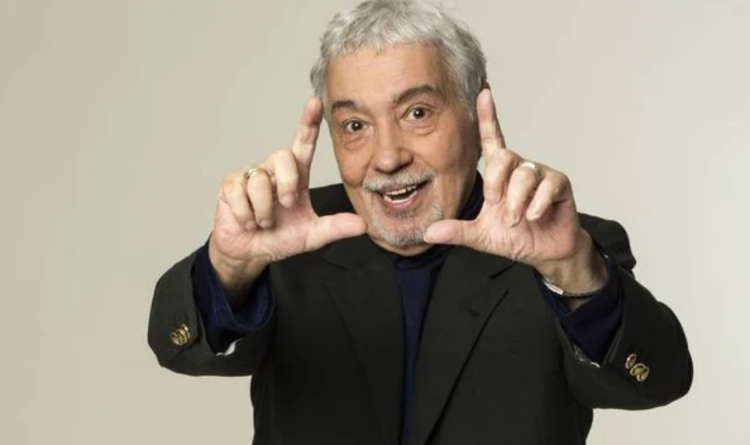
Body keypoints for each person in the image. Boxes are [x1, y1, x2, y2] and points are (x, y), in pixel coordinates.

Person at [147, 1, 693, 444]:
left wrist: (575, 273)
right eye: (355, 125)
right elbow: (177, 348)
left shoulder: (564, 246)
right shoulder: (286, 241)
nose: (387, 157)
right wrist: (230, 266)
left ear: (475, 114)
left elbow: (657, 381)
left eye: (417, 113)